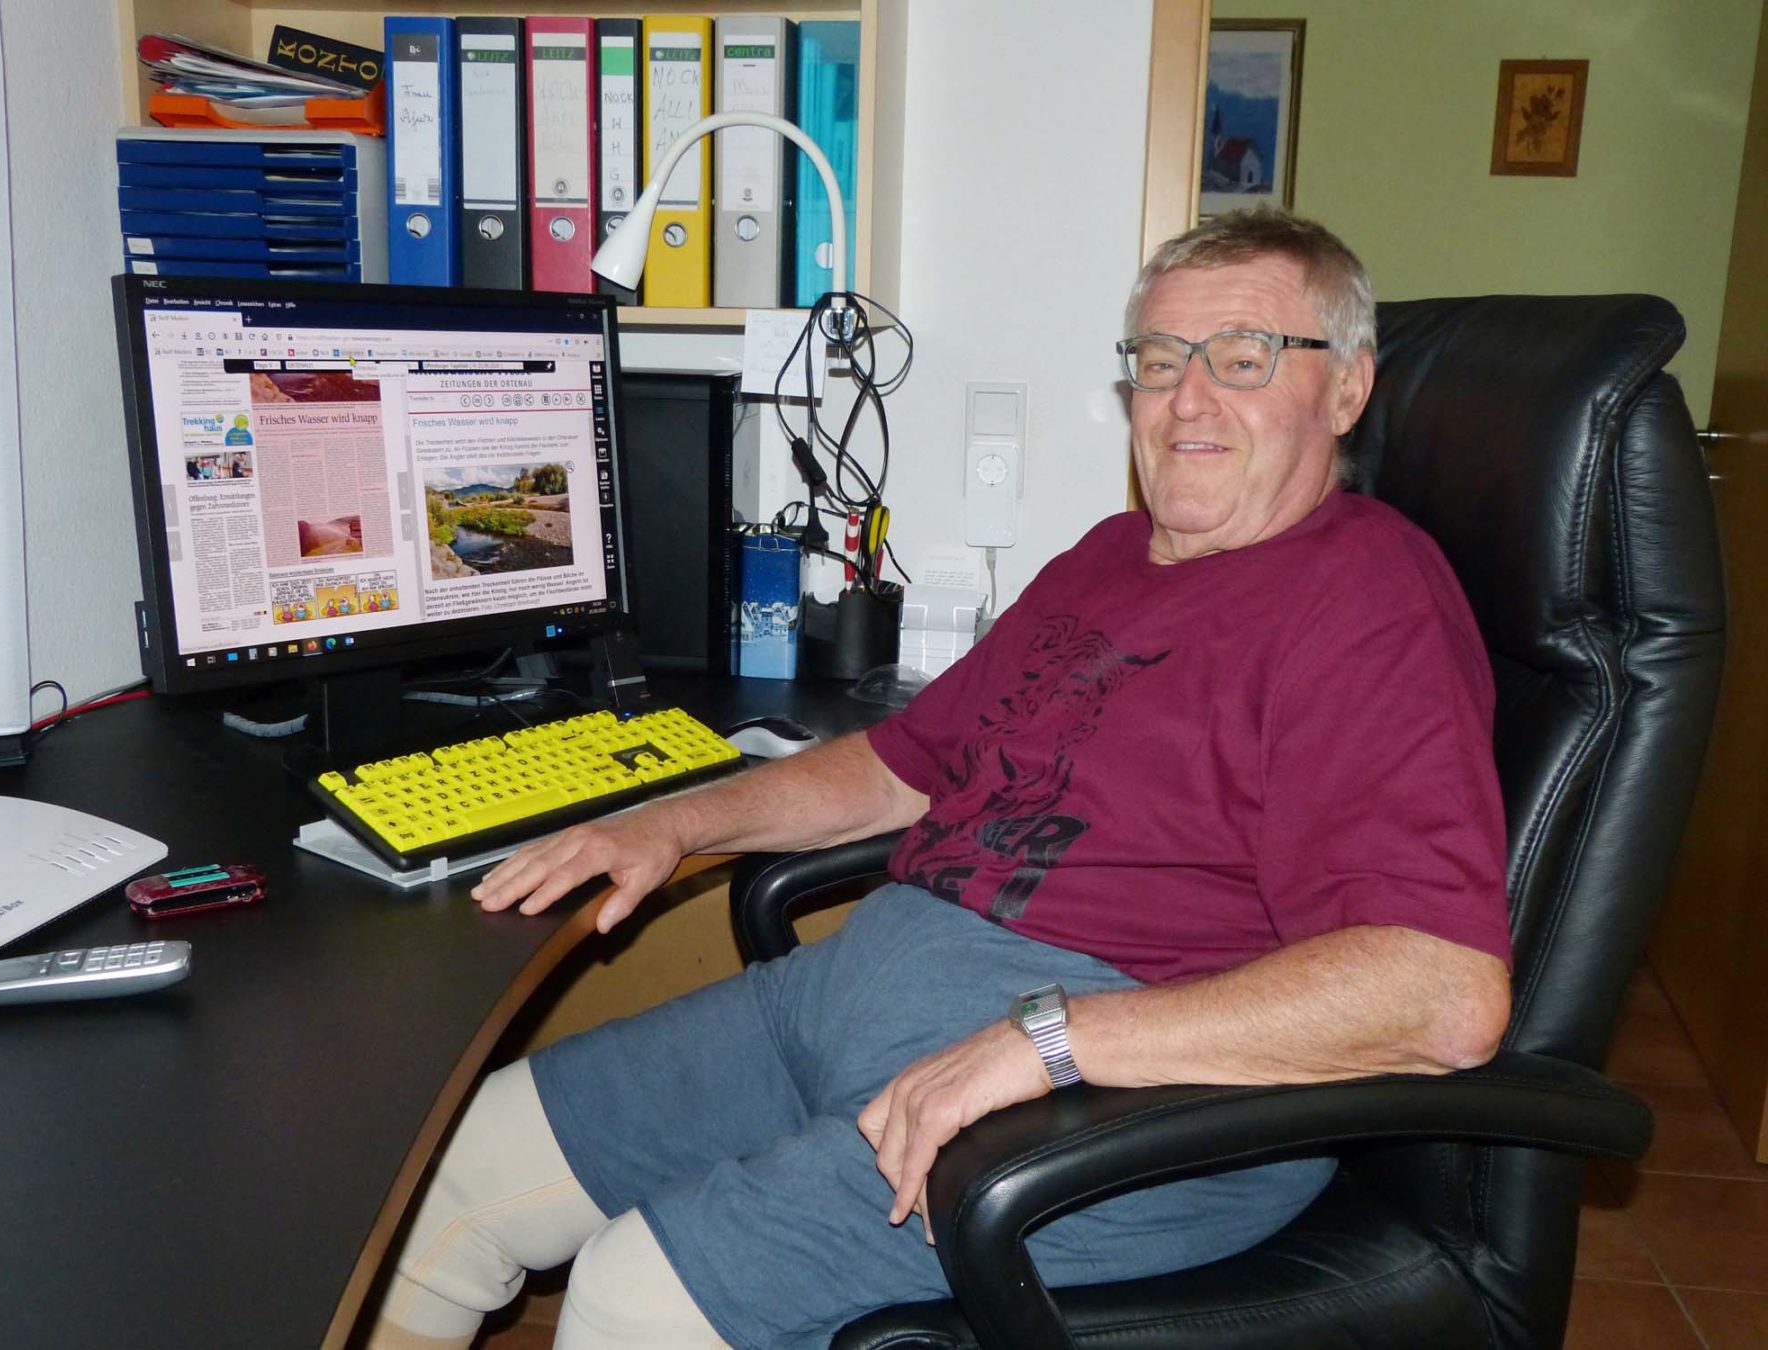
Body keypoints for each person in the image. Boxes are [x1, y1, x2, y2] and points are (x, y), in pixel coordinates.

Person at [367, 209, 1514, 1350]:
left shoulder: (1368, 598)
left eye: (1245, 358)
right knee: (446, 1182)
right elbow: (900, 768)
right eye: (1161, 360)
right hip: (853, 1001)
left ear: (1347, 388)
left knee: (630, 1298)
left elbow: (1444, 997)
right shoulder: (1108, 559)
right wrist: (676, 823)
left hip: (1115, 1101)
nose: (1188, 400)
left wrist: (1048, 1040)